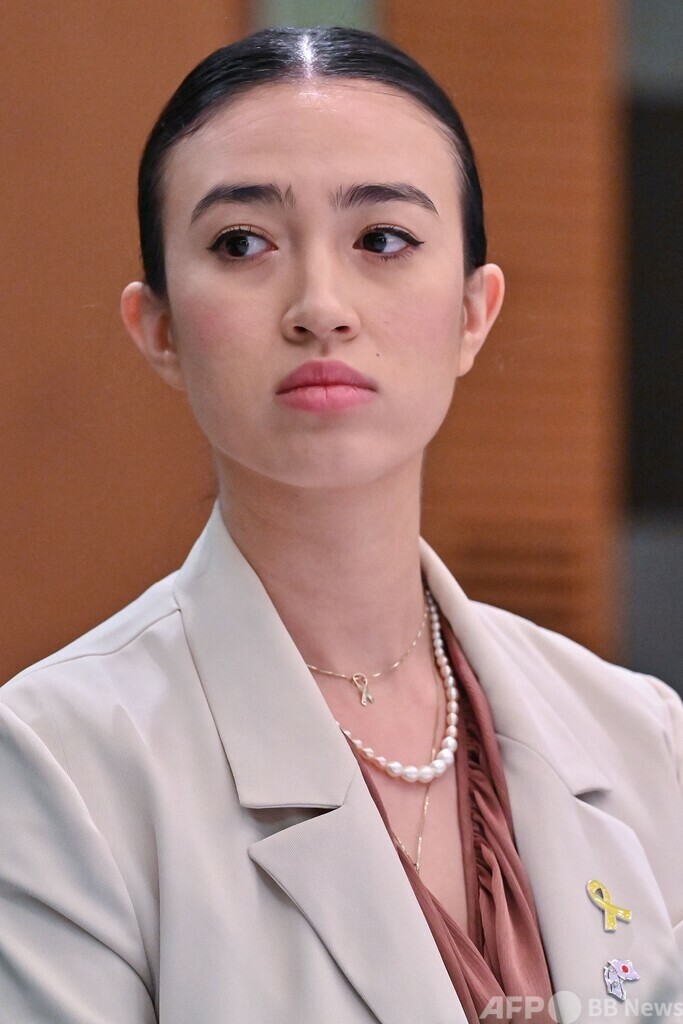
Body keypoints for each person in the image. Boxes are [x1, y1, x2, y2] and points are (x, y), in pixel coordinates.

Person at [0, 25, 681, 1024]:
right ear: (159, 328)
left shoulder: (642, 738)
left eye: (382, 239)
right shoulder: (51, 765)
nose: (320, 306)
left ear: (473, 312)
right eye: (241, 243)